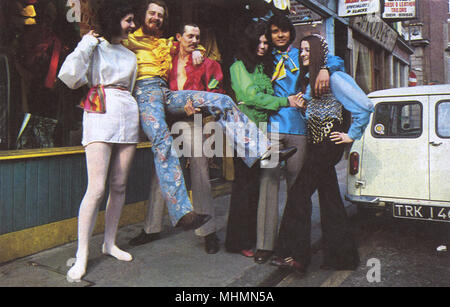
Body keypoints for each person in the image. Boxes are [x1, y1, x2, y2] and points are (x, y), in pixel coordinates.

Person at [123, 1, 294, 234]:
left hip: (170, 97)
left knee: (223, 102)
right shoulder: (129, 40)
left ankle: (261, 148)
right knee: (163, 151)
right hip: (146, 94)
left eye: (160, 15)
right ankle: (180, 214)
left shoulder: (167, 44)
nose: (156, 18)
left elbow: (189, 50)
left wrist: (198, 52)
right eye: (152, 13)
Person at [271, 34, 374, 274]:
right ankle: (341, 257)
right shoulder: (312, 78)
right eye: (302, 49)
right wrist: (303, 104)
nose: (303, 53)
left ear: (318, 52)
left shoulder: (334, 77)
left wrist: (352, 134)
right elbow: (320, 106)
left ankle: (295, 257)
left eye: (308, 49)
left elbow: (365, 105)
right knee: (330, 200)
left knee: (298, 194)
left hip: (327, 146)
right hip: (317, 145)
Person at [249, 15, 346, 264]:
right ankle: (264, 245)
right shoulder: (266, 57)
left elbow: (335, 59)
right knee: (268, 182)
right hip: (271, 127)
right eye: (274, 32)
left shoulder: (301, 54)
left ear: (290, 33)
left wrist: (326, 68)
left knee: (297, 190)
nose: (279, 35)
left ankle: (294, 248)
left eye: (283, 31)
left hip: (301, 130)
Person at [58, 0, 139, 282]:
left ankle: (110, 243)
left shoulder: (130, 55)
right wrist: (86, 44)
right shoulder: (93, 45)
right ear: (115, 19)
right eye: (128, 20)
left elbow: (129, 88)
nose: (132, 25)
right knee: (96, 187)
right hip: (100, 109)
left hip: (127, 112)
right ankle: (81, 255)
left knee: (119, 184)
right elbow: (69, 77)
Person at [129, 22, 225, 254]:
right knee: (160, 171)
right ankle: (151, 227)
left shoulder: (204, 62)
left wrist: (200, 111)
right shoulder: (166, 57)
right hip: (165, 119)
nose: (194, 41)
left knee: (200, 169)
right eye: (190, 36)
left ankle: (208, 231)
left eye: (197, 36)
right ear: (178, 38)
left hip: (190, 121)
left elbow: (212, 94)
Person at [225, 21, 301, 259]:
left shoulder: (261, 67)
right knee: (244, 186)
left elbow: (262, 97)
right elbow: (250, 96)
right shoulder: (238, 66)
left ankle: (253, 239)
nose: (263, 46)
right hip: (244, 132)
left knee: (257, 186)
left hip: (263, 130)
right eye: (259, 42)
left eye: (265, 42)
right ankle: (236, 242)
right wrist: (283, 101)